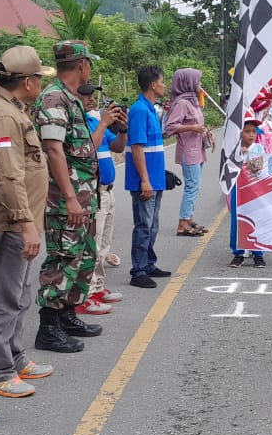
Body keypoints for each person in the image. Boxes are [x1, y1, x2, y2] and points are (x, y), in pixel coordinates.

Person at [0, 45, 55, 399]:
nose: (40, 82)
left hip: (24, 221)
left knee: (20, 295)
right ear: (27, 81)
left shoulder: (14, 111)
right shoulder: (5, 117)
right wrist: (25, 223)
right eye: (39, 77)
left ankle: (14, 356)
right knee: (3, 298)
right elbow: (8, 176)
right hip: (11, 223)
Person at [35, 40, 111, 347]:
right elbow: (53, 149)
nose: (90, 68)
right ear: (82, 65)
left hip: (82, 197)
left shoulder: (71, 99)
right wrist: (68, 197)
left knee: (82, 258)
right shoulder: (54, 98)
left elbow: (80, 149)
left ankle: (67, 315)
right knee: (62, 259)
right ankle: (48, 327)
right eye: (89, 63)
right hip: (66, 199)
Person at [80, 82, 127, 308]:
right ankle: (87, 293)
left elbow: (117, 147)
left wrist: (122, 129)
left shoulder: (95, 119)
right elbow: (88, 149)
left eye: (92, 95)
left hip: (108, 189)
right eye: (86, 95)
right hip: (93, 190)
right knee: (93, 244)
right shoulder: (80, 122)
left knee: (105, 242)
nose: (91, 99)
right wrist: (104, 123)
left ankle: (98, 287)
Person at [126, 64, 171, 289]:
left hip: (155, 178)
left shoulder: (151, 109)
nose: (165, 85)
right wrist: (144, 179)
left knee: (152, 225)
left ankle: (149, 262)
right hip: (145, 180)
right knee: (143, 225)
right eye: (163, 81)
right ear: (153, 84)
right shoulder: (140, 111)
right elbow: (137, 147)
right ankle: (138, 270)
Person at [164, 68, 212, 237]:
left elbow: (197, 124)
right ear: (188, 83)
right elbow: (170, 127)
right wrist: (193, 127)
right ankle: (182, 223)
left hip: (197, 149)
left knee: (196, 186)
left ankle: (189, 219)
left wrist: (205, 131)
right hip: (189, 151)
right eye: (197, 81)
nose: (200, 85)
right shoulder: (182, 103)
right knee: (192, 186)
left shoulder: (193, 101)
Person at [229, 117, 266, 268]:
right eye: (247, 132)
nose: (251, 135)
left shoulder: (258, 148)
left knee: (257, 218)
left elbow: (257, 167)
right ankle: (238, 253)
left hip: (255, 190)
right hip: (237, 189)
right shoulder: (233, 148)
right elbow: (228, 166)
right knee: (237, 220)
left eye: (253, 132)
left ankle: (258, 253)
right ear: (240, 133)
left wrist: (248, 156)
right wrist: (239, 154)